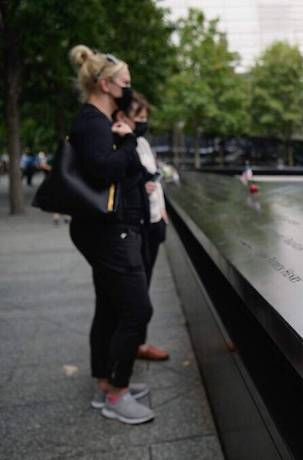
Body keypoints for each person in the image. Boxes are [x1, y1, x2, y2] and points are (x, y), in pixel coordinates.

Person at [67, 44, 154, 425]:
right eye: (124, 84)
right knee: (137, 309)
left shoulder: (99, 121)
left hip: (105, 229)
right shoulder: (92, 123)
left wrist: (125, 136)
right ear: (105, 84)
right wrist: (132, 142)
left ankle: (106, 383)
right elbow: (104, 170)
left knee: (110, 306)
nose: (128, 91)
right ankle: (117, 394)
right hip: (107, 232)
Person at [113, 91, 169, 361]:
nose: (144, 123)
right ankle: (133, 345)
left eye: (146, 118)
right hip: (139, 225)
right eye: (140, 118)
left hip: (155, 221)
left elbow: (153, 179)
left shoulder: (143, 143)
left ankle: (137, 343)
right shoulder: (124, 143)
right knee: (137, 291)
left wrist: (163, 210)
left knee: (144, 284)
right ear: (124, 117)